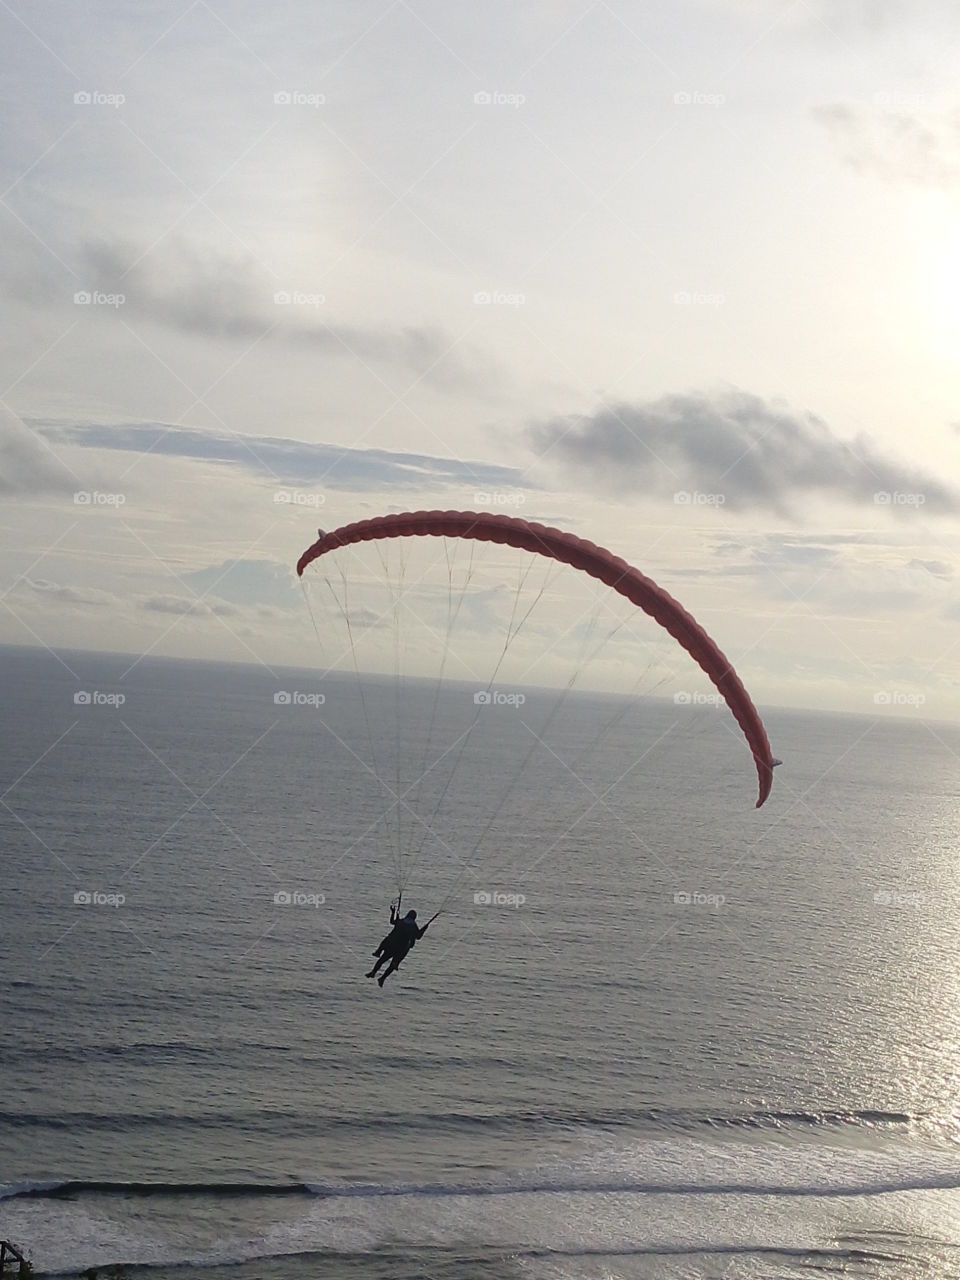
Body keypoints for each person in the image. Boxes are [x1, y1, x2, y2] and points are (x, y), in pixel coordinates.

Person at [366, 905, 430, 986]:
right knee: (393, 965)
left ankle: (374, 970)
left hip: (391, 945)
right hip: (401, 949)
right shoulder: (413, 926)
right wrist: (425, 928)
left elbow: (392, 921)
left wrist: (393, 912)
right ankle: (382, 978)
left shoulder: (401, 921)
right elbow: (418, 937)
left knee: (382, 959)